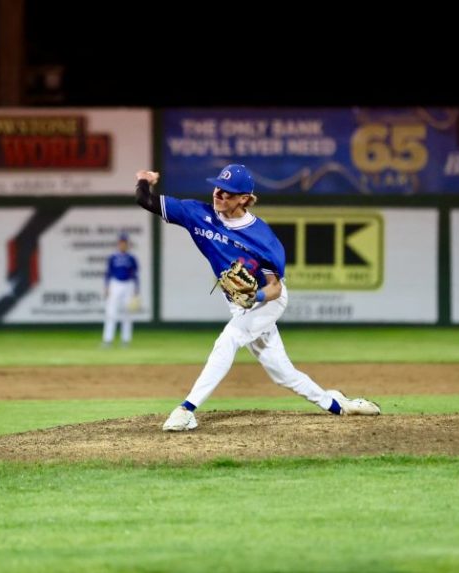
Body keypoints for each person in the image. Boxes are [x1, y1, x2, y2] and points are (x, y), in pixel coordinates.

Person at [134, 164, 381, 431]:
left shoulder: (263, 238)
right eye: (218, 187)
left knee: (228, 340)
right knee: (283, 374)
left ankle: (186, 409)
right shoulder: (198, 213)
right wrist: (144, 181)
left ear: (244, 198)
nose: (219, 194)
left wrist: (255, 296)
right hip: (239, 306)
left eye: (228, 192)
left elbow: (275, 288)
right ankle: (338, 404)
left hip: (268, 302)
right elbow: (145, 201)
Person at [101, 232, 139, 347]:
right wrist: (107, 287)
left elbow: (135, 274)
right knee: (111, 313)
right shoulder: (113, 257)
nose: (123, 245)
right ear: (118, 244)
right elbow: (108, 273)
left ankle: (125, 340)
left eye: (125, 243)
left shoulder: (131, 258)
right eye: (121, 242)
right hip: (115, 284)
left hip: (128, 285)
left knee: (127, 314)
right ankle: (108, 340)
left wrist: (136, 289)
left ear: (127, 244)